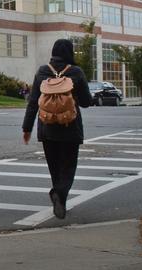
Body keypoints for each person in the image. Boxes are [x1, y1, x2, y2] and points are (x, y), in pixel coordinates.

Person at [21, 38, 92, 219]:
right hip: (70, 128)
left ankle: (60, 200)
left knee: (55, 167)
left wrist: (26, 128)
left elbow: (33, 102)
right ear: (70, 53)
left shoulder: (43, 71)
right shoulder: (76, 72)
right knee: (68, 168)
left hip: (47, 128)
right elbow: (86, 102)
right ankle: (59, 195)